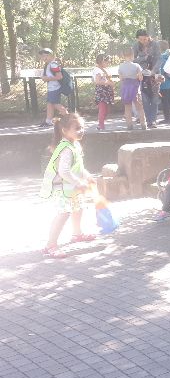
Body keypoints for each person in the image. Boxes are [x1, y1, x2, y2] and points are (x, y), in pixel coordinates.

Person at [39, 113, 95, 258]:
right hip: (61, 188)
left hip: (71, 186)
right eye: (77, 128)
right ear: (64, 130)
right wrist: (79, 182)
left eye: (82, 127)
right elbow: (63, 171)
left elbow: (78, 167)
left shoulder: (75, 144)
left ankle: (77, 234)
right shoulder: (66, 148)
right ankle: (50, 245)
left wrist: (87, 176)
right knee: (64, 213)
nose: (81, 131)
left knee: (78, 208)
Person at [38, 48, 68, 127]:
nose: (44, 58)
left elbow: (59, 76)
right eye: (42, 56)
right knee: (50, 104)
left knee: (55, 104)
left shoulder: (53, 64)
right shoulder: (48, 65)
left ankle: (69, 119)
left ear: (51, 56)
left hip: (55, 88)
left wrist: (47, 78)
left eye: (46, 55)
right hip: (51, 88)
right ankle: (48, 121)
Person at [118, 46, 146, 131]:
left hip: (125, 87)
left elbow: (121, 78)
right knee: (139, 107)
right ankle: (143, 124)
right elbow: (141, 78)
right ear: (132, 55)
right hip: (134, 87)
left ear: (123, 55)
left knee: (127, 107)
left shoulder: (121, 66)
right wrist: (136, 76)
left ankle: (129, 125)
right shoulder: (136, 66)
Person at [92, 53, 115, 131]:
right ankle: (101, 125)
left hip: (106, 91)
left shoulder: (103, 69)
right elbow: (97, 81)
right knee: (102, 108)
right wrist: (108, 83)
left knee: (106, 109)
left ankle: (100, 124)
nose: (108, 63)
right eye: (107, 62)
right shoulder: (97, 70)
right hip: (102, 91)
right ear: (102, 61)